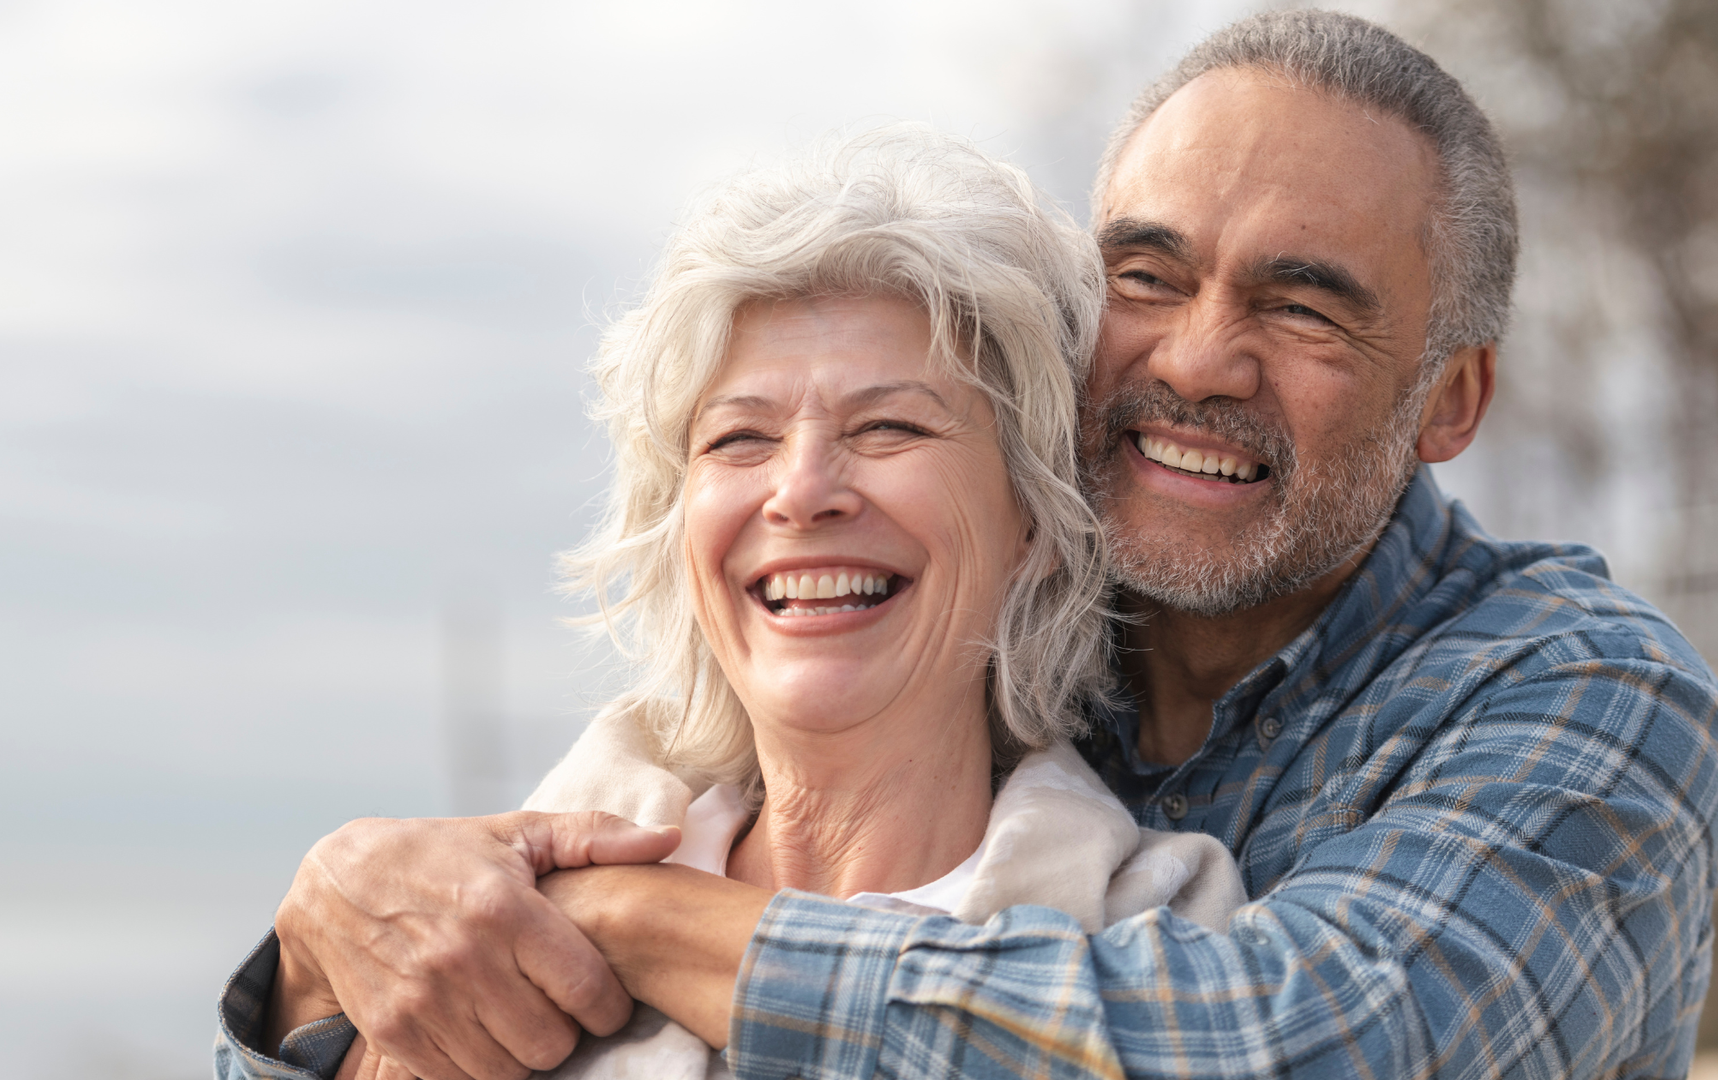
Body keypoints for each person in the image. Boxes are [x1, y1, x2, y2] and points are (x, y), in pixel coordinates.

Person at [221, 11, 1718, 1080]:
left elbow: (1310, 1047)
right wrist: (320, 940)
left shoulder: (1587, 698)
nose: (1201, 360)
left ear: (1451, 398)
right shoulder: (935, 652)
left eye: (1302, 304)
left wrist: (625, 921)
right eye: (1146, 275)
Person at [215, 127, 1247, 1080]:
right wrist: (304, 978)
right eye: (739, 439)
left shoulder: (1163, 935)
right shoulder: (478, 935)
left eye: (889, 427)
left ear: (1031, 512)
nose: (801, 490)